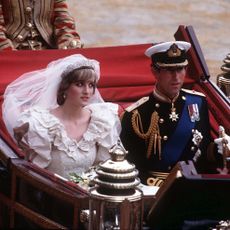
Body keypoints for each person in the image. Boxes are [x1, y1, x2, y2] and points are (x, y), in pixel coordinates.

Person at [120, 41, 230, 187]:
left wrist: (218, 150)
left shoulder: (197, 102)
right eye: (169, 70)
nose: (176, 77)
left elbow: (202, 151)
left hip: (194, 184)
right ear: (155, 71)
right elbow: (131, 167)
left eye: (180, 69)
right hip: (155, 190)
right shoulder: (136, 114)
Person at [2, 54, 121, 181]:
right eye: (80, 84)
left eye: (91, 85)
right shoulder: (41, 123)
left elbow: (104, 168)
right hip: (51, 194)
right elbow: (33, 175)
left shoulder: (101, 120)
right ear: (64, 88)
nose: (87, 91)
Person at [0, 0, 82, 50]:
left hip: (48, 51)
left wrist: (67, 41)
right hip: (12, 51)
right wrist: (6, 49)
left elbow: (62, 18)